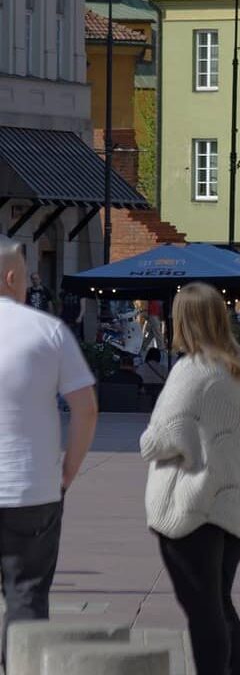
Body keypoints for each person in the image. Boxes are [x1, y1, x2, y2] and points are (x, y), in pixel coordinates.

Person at [141, 283, 240, 675]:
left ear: (184, 321)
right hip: (236, 507)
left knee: (202, 610)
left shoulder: (192, 370)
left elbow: (160, 440)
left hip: (195, 507)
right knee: (220, 602)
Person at [0, 240, 96, 656]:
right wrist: (68, 472)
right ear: (11, 277)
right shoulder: (49, 331)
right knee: (27, 598)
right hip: (31, 488)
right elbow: (86, 410)